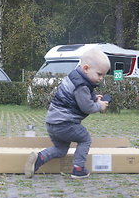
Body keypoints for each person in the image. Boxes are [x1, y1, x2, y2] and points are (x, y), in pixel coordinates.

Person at [24, 49, 110, 179]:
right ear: (86, 68)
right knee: (85, 139)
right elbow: (86, 107)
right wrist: (100, 105)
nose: (101, 78)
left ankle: (39, 158)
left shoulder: (74, 77)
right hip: (65, 123)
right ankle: (78, 168)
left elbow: (78, 98)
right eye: (99, 74)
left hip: (52, 123)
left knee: (61, 149)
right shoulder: (81, 86)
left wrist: (93, 98)